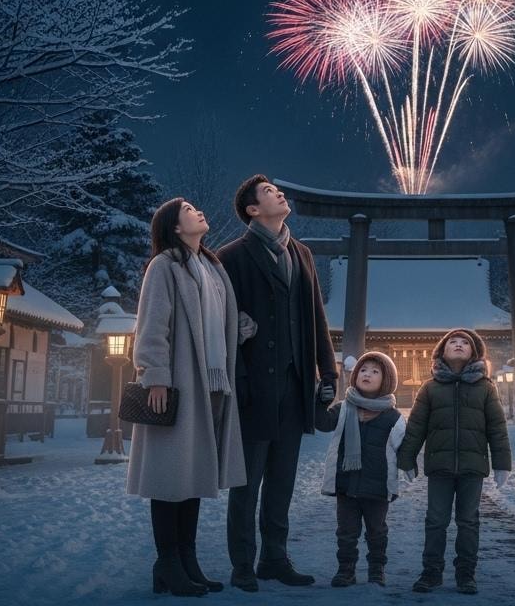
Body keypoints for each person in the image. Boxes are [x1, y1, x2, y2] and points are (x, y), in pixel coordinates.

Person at [216, 175, 339, 592]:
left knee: (283, 478)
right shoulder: (230, 256)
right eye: (268, 192)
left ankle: (274, 557)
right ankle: (242, 564)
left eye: (278, 190)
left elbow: (317, 319)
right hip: (252, 385)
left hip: (296, 383)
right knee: (246, 481)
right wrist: (237, 341)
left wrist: (329, 371)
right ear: (252, 209)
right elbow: (218, 318)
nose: (279, 193)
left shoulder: (301, 252)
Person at [127, 198, 247, 597]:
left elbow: (219, 321)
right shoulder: (164, 266)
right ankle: (167, 562)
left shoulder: (212, 267)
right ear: (175, 227)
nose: (199, 212)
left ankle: (186, 559)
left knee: (193, 476)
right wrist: (155, 376)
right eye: (190, 210)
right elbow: (151, 324)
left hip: (212, 385)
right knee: (169, 477)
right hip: (178, 383)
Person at [396, 328, 512, 596]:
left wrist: (502, 463)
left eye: (464, 343)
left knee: (468, 521)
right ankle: (431, 572)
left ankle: (466, 574)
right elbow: (416, 427)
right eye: (452, 342)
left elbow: (497, 427)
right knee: (435, 520)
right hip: (440, 466)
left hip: (473, 467)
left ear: (474, 353)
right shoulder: (430, 388)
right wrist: (407, 459)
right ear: (442, 351)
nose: (458, 345)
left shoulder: (485, 388)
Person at [315, 351, 406, 588]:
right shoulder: (344, 408)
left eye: (375, 371)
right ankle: (346, 570)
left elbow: (403, 448)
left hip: (377, 486)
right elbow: (322, 423)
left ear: (385, 380)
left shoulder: (393, 417)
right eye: (363, 370)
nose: (368, 374)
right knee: (346, 532)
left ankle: (377, 570)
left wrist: (409, 466)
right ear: (355, 376)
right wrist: (322, 401)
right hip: (347, 484)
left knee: (377, 532)